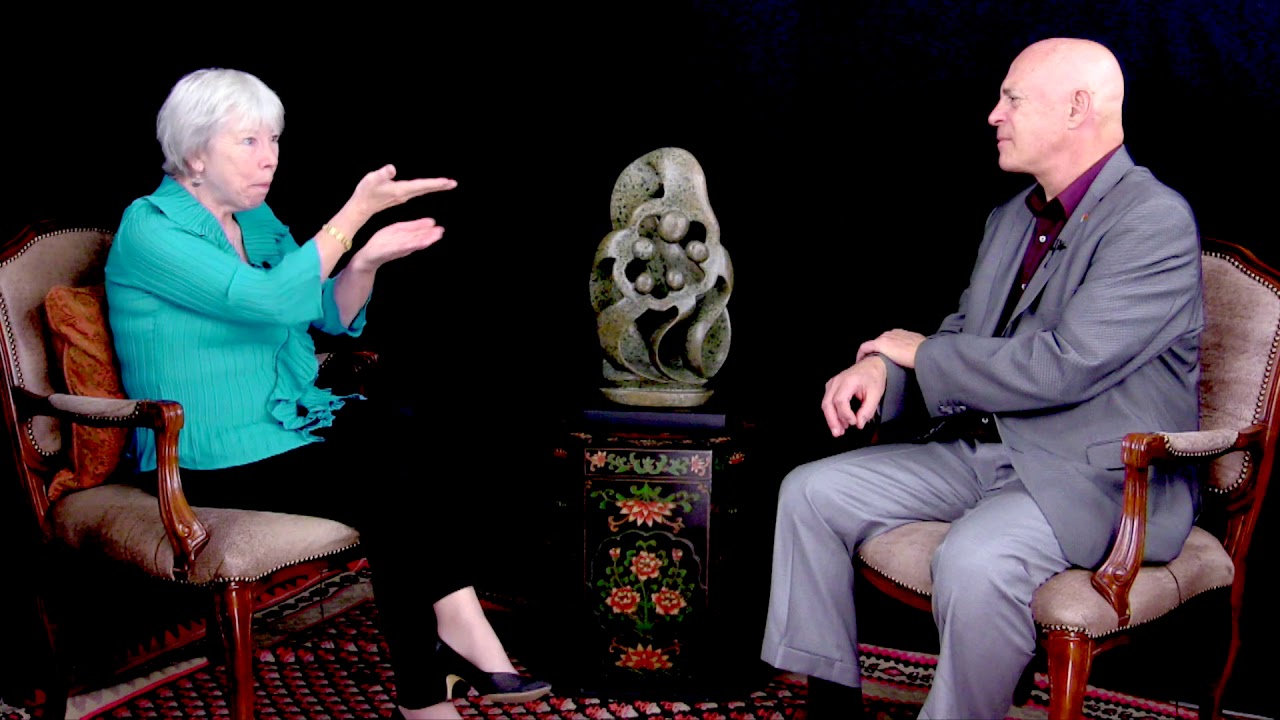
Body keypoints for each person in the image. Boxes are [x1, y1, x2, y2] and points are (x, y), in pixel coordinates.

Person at [761, 37, 1203, 719]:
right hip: (989, 453)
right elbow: (965, 337)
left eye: (1012, 99)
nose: (995, 115)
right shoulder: (1011, 219)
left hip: (1097, 479)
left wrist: (918, 351)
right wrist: (884, 371)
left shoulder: (1154, 221)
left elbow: (1065, 363)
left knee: (974, 558)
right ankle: (832, 703)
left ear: (1077, 108)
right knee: (811, 493)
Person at [104, 67, 551, 720]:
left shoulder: (255, 220)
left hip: (286, 424)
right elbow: (266, 299)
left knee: (414, 435)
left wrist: (363, 262)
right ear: (195, 152)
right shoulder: (151, 228)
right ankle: (438, 677)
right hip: (202, 450)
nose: (269, 157)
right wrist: (355, 213)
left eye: (273, 140)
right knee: (388, 474)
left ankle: (443, 662)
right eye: (249, 141)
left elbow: (322, 311)